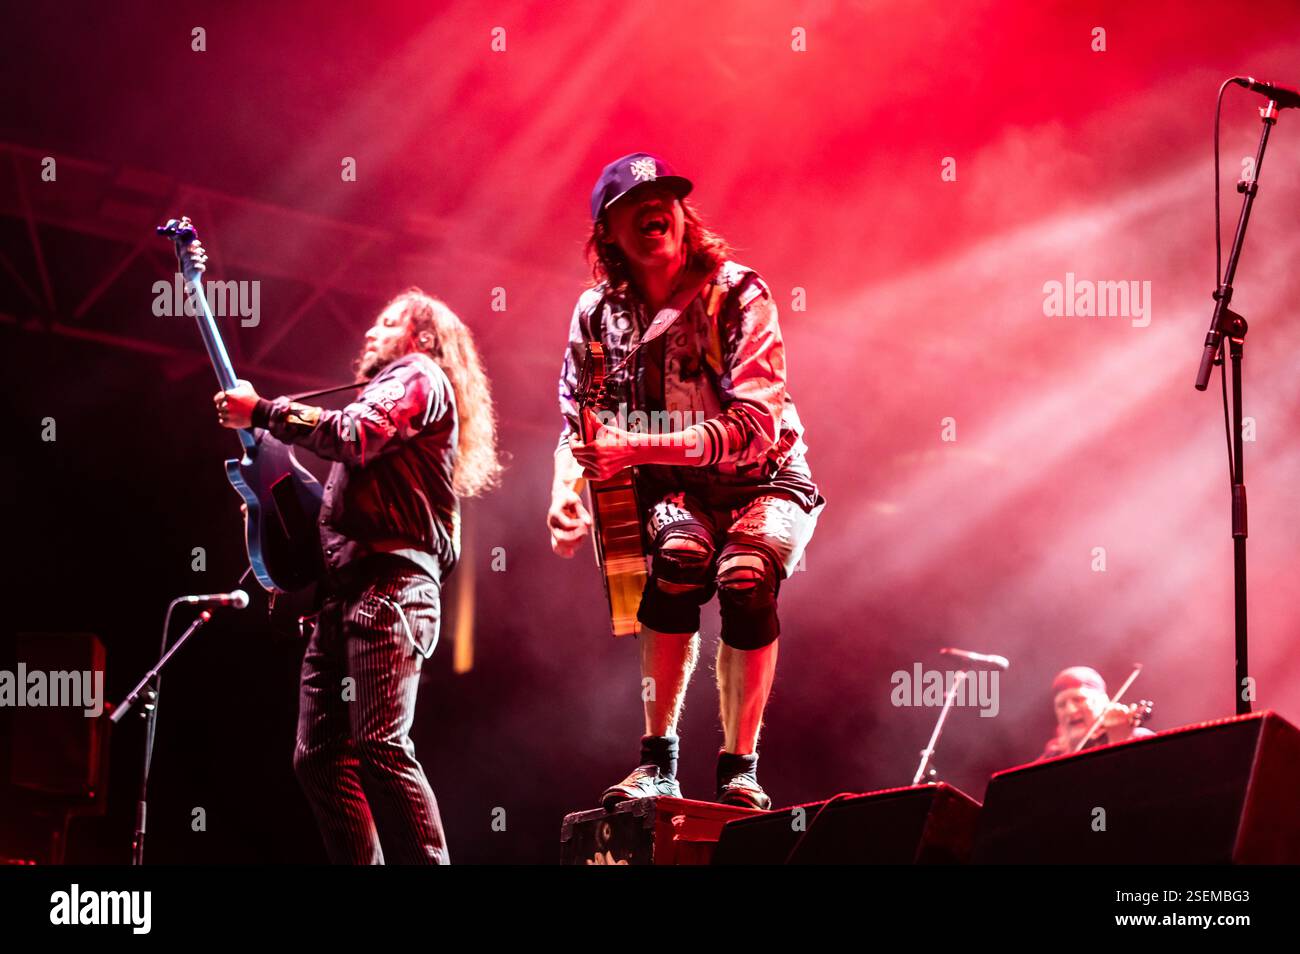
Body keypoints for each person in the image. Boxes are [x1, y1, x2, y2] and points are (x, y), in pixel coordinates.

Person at [548, 152, 825, 810]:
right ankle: (658, 764)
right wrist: (565, 491)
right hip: (678, 488)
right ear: (606, 234)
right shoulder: (596, 316)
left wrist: (631, 446)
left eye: (666, 196)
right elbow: (578, 423)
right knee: (678, 562)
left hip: (767, 476)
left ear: (682, 213)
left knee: (744, 576)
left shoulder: (738, 292)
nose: (655, 207)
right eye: (632, 205)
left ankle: (740, 768)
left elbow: (754, 424)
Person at [214, 284, 501, 863]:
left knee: (380, 746)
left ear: (421, 338)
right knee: (318, 755)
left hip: (391, 591)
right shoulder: (391, 394)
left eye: (388, 321)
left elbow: (354, 434)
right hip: (348, 598)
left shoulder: (419, 374)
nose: (371, 331)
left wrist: (265, 412)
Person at [1039, 666, 1154, 760]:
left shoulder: (1138, 738)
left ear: (1103, 702)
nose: (1070, 710)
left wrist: (1119, 742)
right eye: (1061, 705)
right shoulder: (1053, 753)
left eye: (1079, 700)